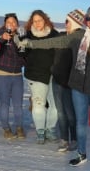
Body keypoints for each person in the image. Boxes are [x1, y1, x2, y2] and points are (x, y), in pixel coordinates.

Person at [15, 0, 90, 170]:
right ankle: (81, 153)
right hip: (77, 87)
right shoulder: (77, 36)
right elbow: (53, 42)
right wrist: (30, 43)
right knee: (80, 123)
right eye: (89, 18)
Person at [22, 10, 60, 144]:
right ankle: (40, 131)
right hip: (35, 75)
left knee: (54, 106)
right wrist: (19, 46)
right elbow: (22, 55)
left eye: (40, 20)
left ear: (45, 20)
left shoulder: (54, 34)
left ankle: (50, 129)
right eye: (35, 21)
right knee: (39, 104)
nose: (37, 23)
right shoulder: (28, 36)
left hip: (53, 75)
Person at [53, 9, 85, 152]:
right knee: (60, 113)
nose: (66, 24)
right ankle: (64, 139)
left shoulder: (79, 41)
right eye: (65, 21)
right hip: (57, 80)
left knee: (71, 113)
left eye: (68, 22)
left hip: (71, 83)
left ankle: (74, 139)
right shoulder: (60, 36)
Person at [0, 13, 26, 139]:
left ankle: (19, 127)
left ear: (17, 25)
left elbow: (24, 54)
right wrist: (2, 38)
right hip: (1, 74)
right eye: (9, 22)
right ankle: (6, 129)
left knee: (18, 104)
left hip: (17, 74)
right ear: (4, 24)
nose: (11, 25)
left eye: (14, 23)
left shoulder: (20, 36)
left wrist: (23, 59)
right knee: (5, 103)